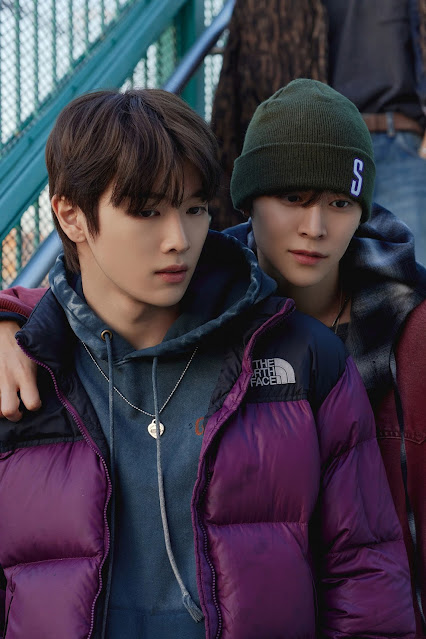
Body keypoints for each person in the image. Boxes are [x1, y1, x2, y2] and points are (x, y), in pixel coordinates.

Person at [0, 88, 416, 638]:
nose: (179, 239)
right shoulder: (20, 370)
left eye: (195, 209)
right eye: (147, 211)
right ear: (71, 215)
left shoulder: (306, 356)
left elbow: (364, 576)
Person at [224, 79, 426, 637]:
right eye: (294, 198)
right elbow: (94, 307)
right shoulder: (201, 304)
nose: (315, 228)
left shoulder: (412, 326)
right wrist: (11, 320)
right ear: (249, 198)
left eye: (339, 203)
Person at [210, 0, 426, 265]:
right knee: (290, 278)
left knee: (410, 277)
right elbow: (234, 88)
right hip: (298, 152)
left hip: (398, 140)